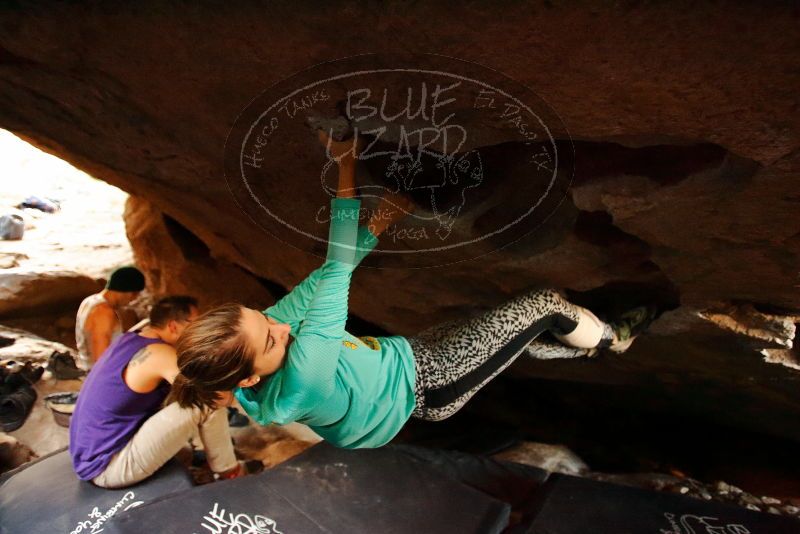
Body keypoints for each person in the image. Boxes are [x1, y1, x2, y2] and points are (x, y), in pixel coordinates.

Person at [171, 131, 658, 449]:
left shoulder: (258, 351)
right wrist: (344, 166)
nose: (280, 324)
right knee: (542, 304)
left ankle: (570, 347)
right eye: (271, 337)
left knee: (518, 335)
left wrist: (380, 223)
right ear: (251, 378)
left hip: (404, 356)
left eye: (265, 317)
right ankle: (615, 337)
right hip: (429, 383)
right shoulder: (303, 377)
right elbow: (337, 268)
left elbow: (321, 280)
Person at [69, 296, 247, 488]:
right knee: (206, 402)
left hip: (92, 453)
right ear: (173, 327)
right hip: (108, 468)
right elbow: (220, 398)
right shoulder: (159, 354)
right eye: (196, 324)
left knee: (184, 394)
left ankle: (204, 456)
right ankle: (229, 472)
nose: (201, 332)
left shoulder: (136, 335)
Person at [75, 266, 146, 371]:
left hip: (89, 365)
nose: (132, 300)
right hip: (97, 372)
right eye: (135, 295)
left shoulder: (90, 300)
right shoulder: (104, 312)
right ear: (129, 291)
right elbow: (100, 357)